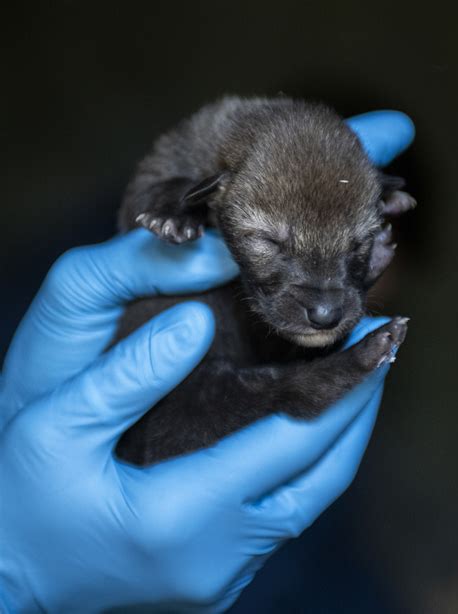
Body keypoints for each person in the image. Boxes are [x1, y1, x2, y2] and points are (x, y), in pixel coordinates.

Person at [0, 110, 414, 613]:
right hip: (155, 426)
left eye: (356, 247)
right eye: (275, 244)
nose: (327, 305)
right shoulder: (178, 173)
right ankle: (306, 385)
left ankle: (311, 378)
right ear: (216, 187)